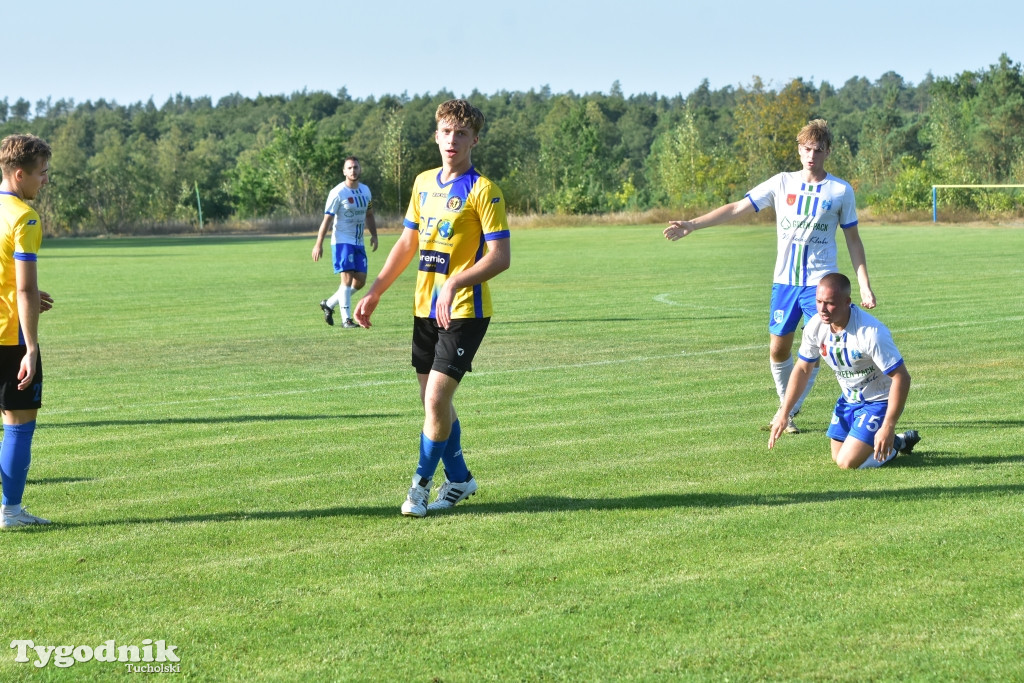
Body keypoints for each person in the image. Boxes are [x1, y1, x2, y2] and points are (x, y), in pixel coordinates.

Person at [664, 119, 876, 434]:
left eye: (818, 150)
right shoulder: (781, 183)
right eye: (807, 149)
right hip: (784, 282)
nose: (812, 156)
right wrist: (692, 224)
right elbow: (737, 208)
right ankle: (786, 407)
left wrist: (864, 286)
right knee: (778, 349)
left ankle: (786, 412)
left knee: (817, 346)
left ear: (828, 151)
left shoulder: (840, 190)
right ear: (799, 149)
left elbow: (853, 240)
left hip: (819, 284)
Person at [353, 99, 511, 517]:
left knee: (438, 398)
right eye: (446, 132)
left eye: (461, 134)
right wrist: (376, 291)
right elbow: (408, 243)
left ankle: (419, 488)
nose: (452, 140)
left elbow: (500, 256)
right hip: (425, 307)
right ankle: (459, 478)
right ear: (436, 134)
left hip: (464, 310)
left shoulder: (484, 191)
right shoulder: (423, 183)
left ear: (475, 139)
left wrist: (456, 281)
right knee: (431, 405)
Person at [768, 273, 920, 468]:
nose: (822, 309)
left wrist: (888, 426)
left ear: (847, 302)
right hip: (849, 399)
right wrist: (784, 413)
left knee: (846, 463)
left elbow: (901, 377)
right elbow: (803, 369)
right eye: (819, 301)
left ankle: (894, 445)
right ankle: (898, 441)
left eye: (830, 303)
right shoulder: (815, 326)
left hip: (878, 401)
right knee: (837, 456)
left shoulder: (871, 333)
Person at [0, 134, 55, 528]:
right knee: (19, 423)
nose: (45, 181)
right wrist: (31, 348)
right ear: (20, 174)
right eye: (41, 173)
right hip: (8, 336)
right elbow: (23, 287)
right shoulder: (24, 217)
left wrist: (30, 293)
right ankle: (12, 511)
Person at [312, 157, 378, 328]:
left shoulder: (365, 191)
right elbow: (327, 219)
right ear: (344, 171)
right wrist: (319, 243)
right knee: (346, 280)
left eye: (355, 167)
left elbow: (369, 214)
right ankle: (346, 320)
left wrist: (374, 235)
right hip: (342, 241)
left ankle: (329, 304)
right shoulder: (338, 192)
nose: (353, 170)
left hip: (358, 242)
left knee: (361, 281)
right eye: (349, 168)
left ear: (360, 169)